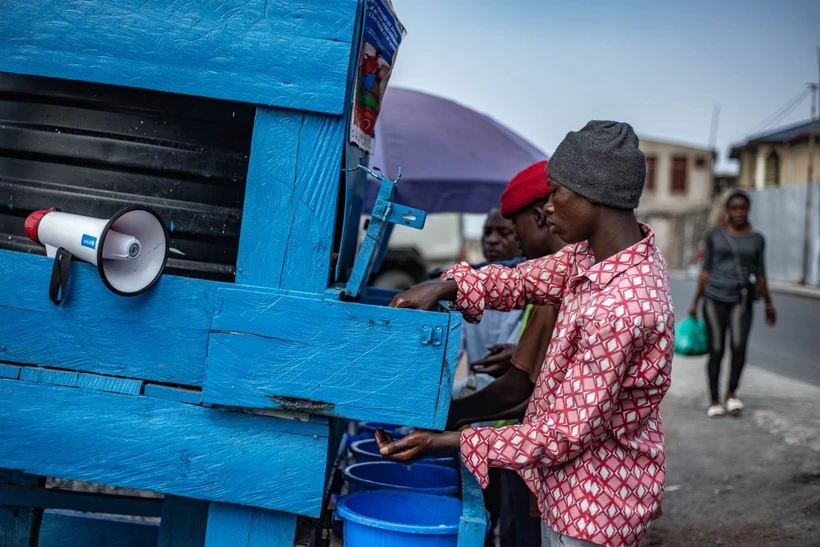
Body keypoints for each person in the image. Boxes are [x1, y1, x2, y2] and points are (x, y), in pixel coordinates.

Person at [377, 121, 673, 547]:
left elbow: (562, 434)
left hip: (595, 510)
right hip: (568, 490)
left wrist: (449, 439)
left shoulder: (623, 308)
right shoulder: (592, 259)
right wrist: (448, 285)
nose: (547, 207)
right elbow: (523, 281)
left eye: (556, 192)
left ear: (593, 194)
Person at [688, 190, 776, 418]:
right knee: (716, 349)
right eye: (734, 208)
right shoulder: (714, 236)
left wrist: (768, 304)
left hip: (742, 299)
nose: (738, 213)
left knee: (738, 347)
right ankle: (715, 399)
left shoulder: (757, 239)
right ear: (727, 211)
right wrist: (695, 303)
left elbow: (761, 274)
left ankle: (731, 393)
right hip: (714, 298)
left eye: (742, 208)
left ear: (748, 210)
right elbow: (705, 271)